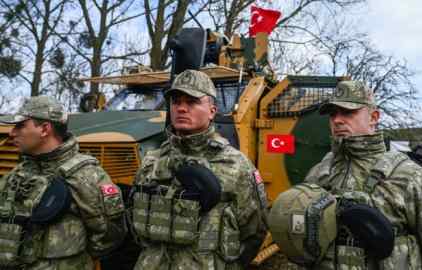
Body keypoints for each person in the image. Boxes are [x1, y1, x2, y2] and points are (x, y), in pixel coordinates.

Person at [272, 81, 422, 269]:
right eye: (333, 114)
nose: (337, 120)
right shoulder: (319, 172)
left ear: (374, 117)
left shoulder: (411, 177)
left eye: (348, 112)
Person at [131, 69, 268, 270]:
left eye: (192, 102)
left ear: (212, 111)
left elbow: (254, 231)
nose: (182, 109)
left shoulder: (236, 165)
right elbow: (134, 219)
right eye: (176, 102)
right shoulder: (152, 161)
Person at [0, 96, 126, 269]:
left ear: (44, 129)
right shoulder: (17, 173)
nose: (12, 133)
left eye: (20, 126)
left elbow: (109, 235)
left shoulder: (87, 175)